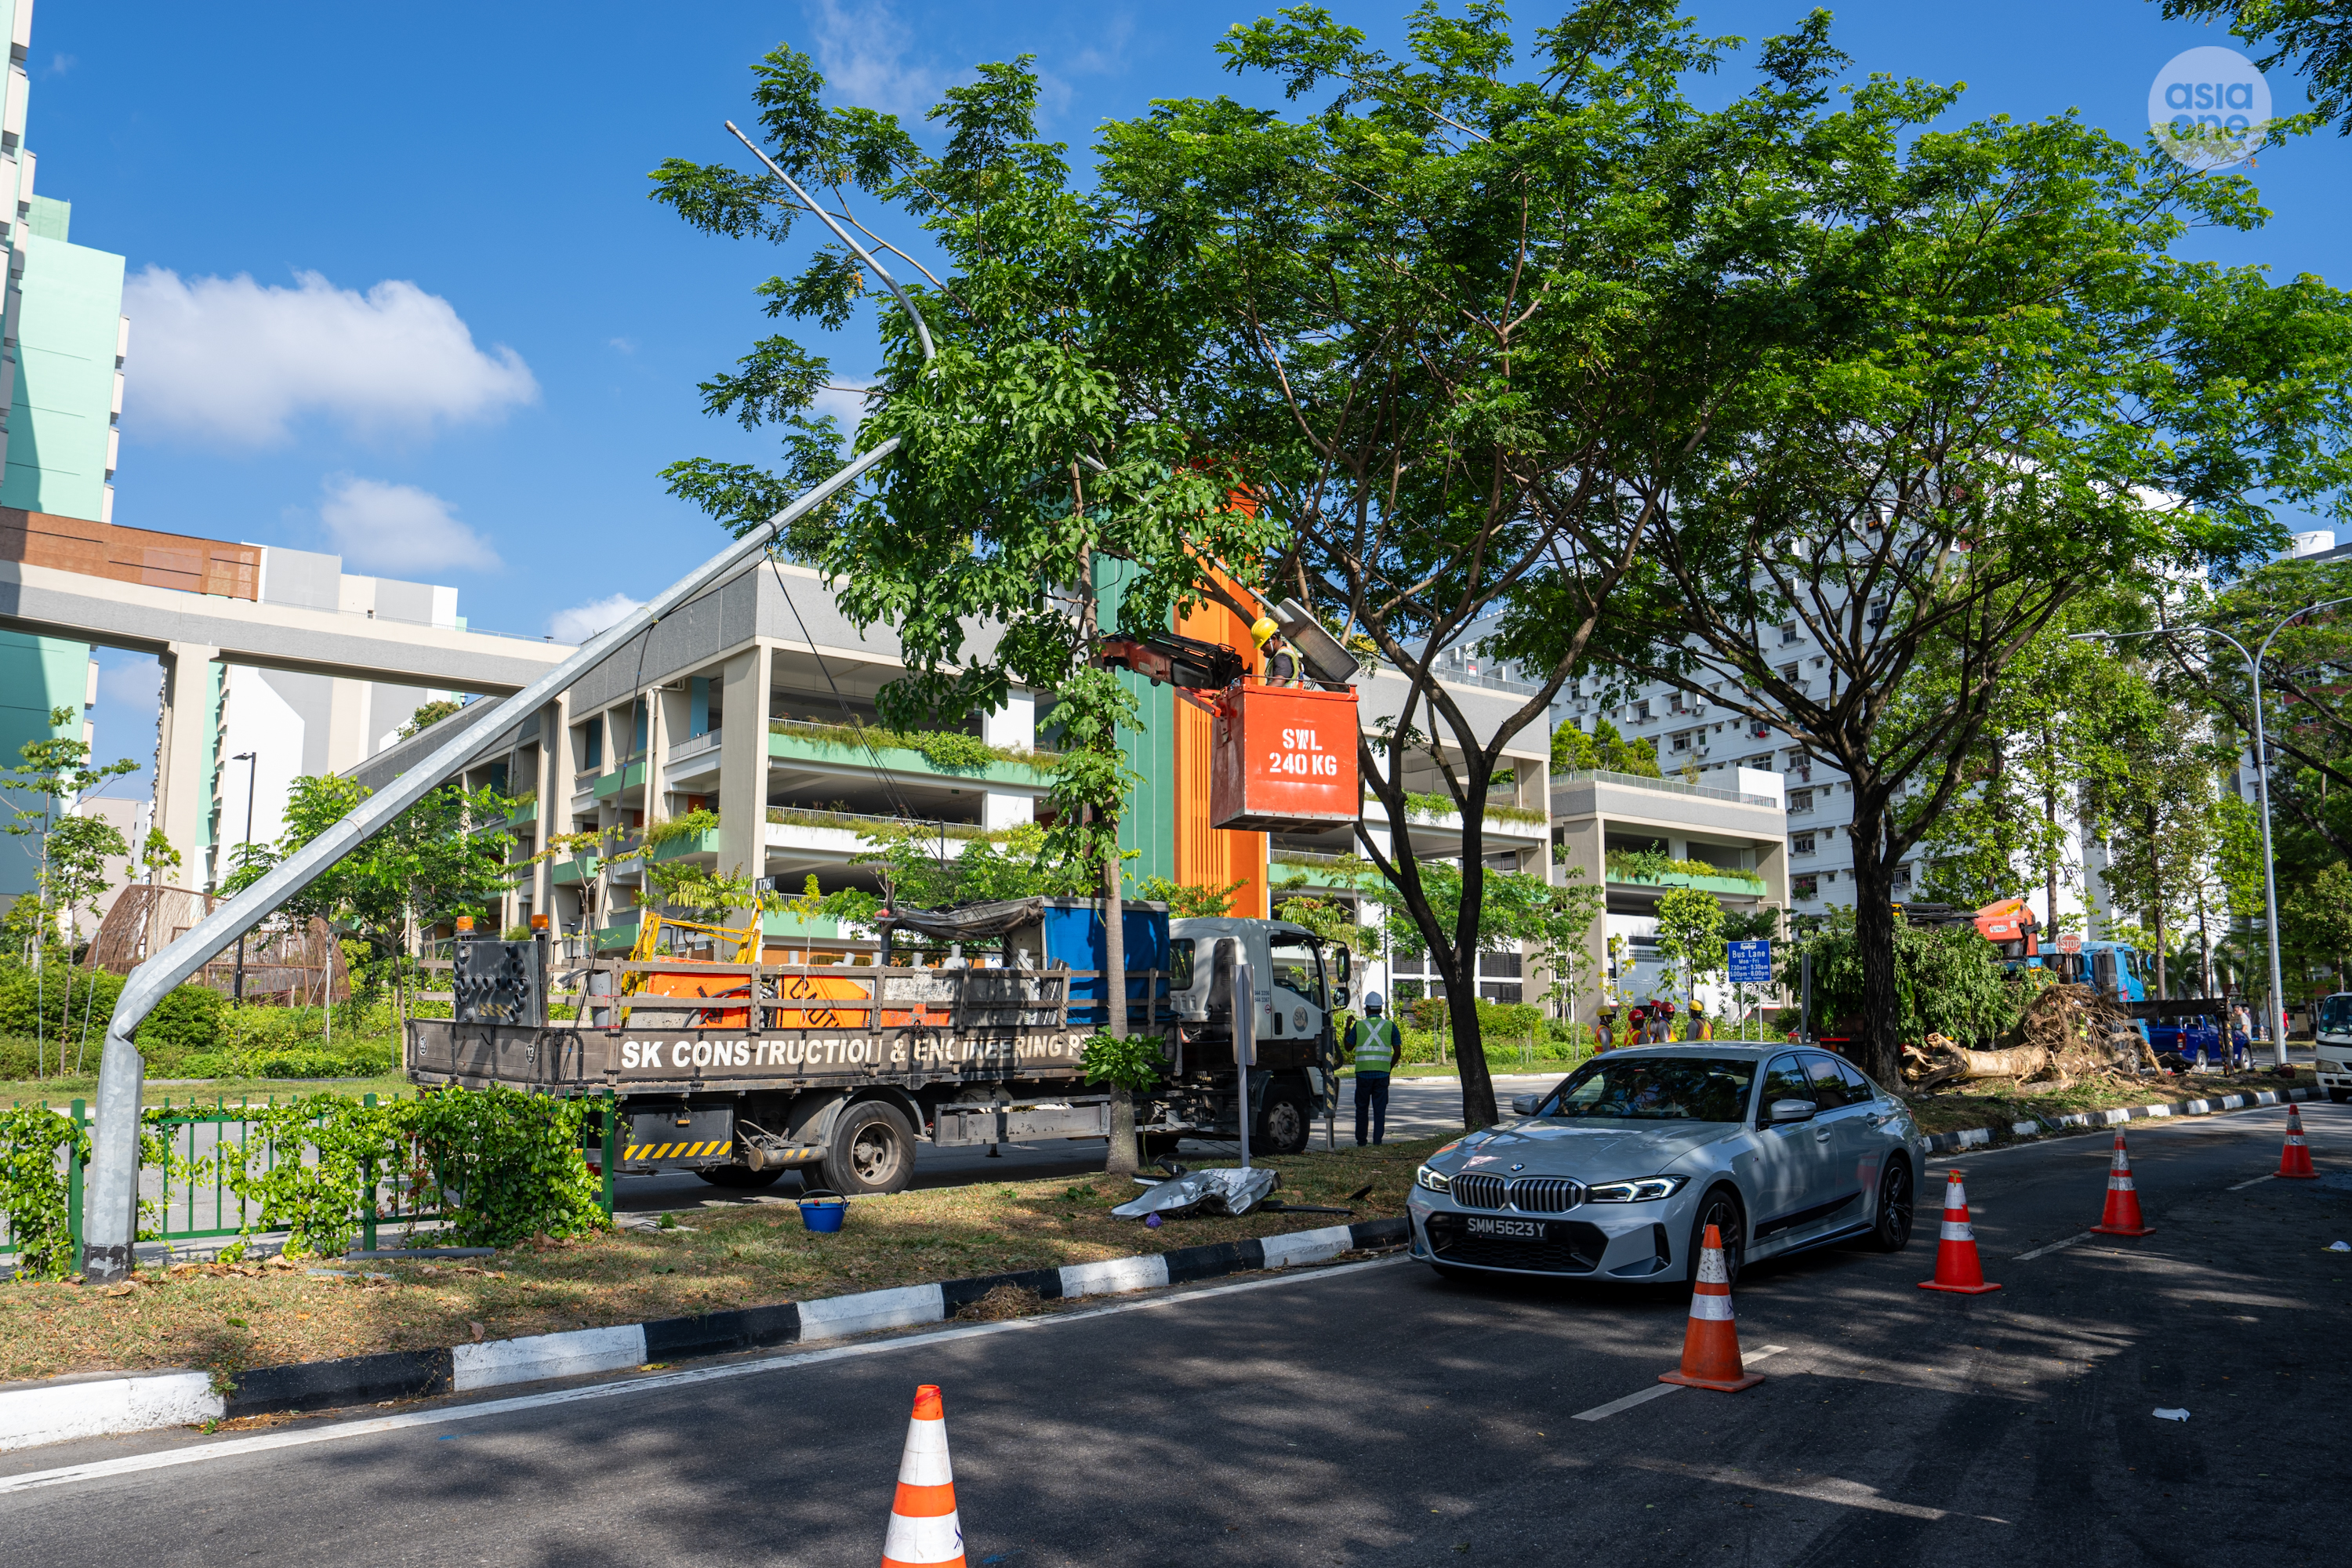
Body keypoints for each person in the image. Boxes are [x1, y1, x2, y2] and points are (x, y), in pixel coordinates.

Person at [1345, 991, 1400, 1145]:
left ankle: (1361, 1142)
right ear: (1381, 1009)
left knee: (1362, 1108)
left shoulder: (1359, 1025)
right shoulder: (1390, 1026)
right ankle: (1377, 1141)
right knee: (1379, 1110)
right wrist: (1388, 1067)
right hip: (1382, 1074)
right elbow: (1398, 1051)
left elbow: (1348, 1047)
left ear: (1367, 1009)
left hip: (1363, 1074)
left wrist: (1347, 1027)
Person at [1251, 615, 1305, 686]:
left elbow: (1279, 682)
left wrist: (1258, 695)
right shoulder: (1288, 647)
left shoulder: (1282, 657)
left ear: (1274, 639)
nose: (1261, 648)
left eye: (1263, 644)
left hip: (1285, 697)